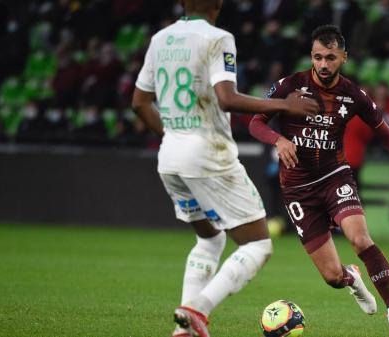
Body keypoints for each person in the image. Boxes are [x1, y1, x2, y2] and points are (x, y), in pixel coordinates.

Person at [130, 1, 318, 337]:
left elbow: (139, 102)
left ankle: (184, 331)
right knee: (258, 245)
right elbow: (227, 98)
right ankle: (197, 310)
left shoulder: (160, 39)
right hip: (208, 155)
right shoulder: (218, 38)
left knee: (210, 239)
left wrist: (175, 135)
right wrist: (284, 104)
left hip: (170, 156)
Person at [249, 25, 389, 337]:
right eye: (318, 57)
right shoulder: (289, 86)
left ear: (344, 58)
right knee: (332, 277)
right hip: (297, 189)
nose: (323, 65)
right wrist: (278, 140)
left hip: (335, 177)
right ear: (311, 56)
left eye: (330, 58)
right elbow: (255, 121)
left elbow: (386, 135)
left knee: (361, 239)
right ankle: (351, 277)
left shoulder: (352, 95)